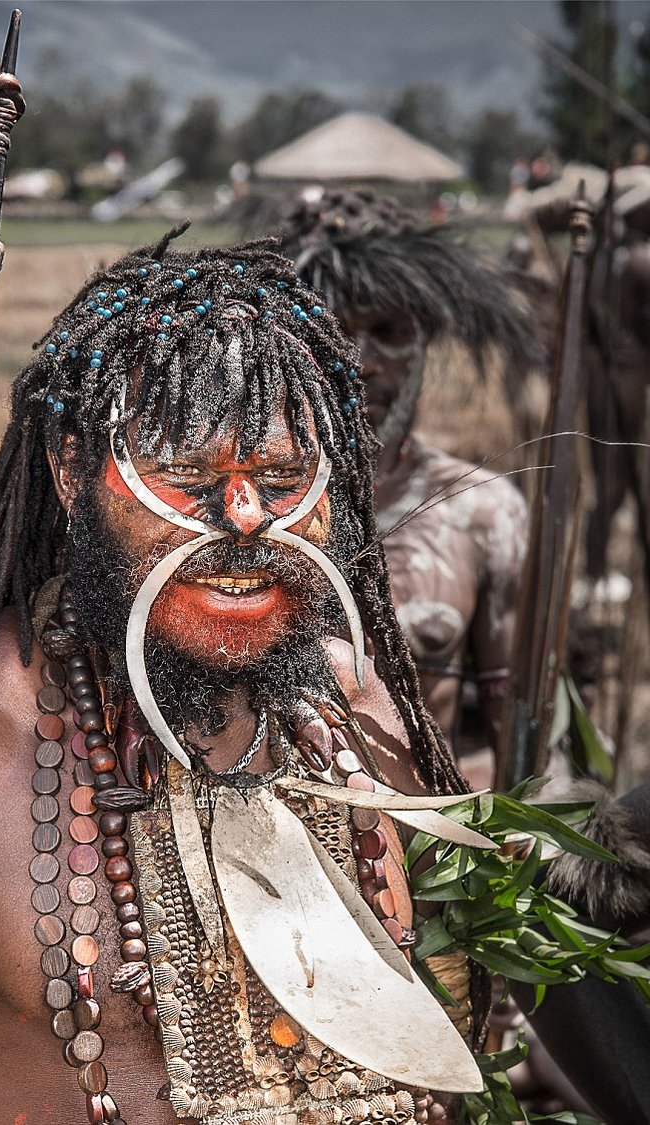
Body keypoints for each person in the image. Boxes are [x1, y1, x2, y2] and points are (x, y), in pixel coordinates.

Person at [0, 234, 488, 1124]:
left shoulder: (361, 708)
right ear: (73, 472)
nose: (248, 518)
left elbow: (448, 1025)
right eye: (187, 476)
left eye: (284, 474)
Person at [280, 190, 536, 788]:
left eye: (389, 332)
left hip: (427, 860)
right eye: (335, 330)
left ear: (422, 343)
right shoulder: (230, 512)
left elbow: (520, 752)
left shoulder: (482, 513)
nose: (362, 362)